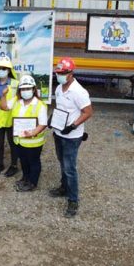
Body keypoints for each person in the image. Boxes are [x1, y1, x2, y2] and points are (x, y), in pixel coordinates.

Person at [49, 57, 93, 218]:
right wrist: (52, 119)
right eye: (57, 73)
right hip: (59, 132)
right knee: (61, 161)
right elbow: (60, 108)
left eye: (62, 73)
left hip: (72, 136)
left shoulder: (79, 92)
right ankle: (64, 187)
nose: (59, 75)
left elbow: (88, 112)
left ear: (71, 73)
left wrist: (73, 126)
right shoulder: (59, 88)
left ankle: (73, 200)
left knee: (70, 167)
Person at [0, 75, 48, 192]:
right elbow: (4, 107)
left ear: (33, 89)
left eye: (28, 88)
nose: (25, 91)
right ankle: (25, 178)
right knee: (23, 160)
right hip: (19, 140)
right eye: (23, 89)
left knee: (34, 162)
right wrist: (3, 95)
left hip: (33, 142)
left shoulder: (39, 105)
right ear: (19, 90)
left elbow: (43, 124)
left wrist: (32, 133)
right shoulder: (17, 101)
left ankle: (32, 183)